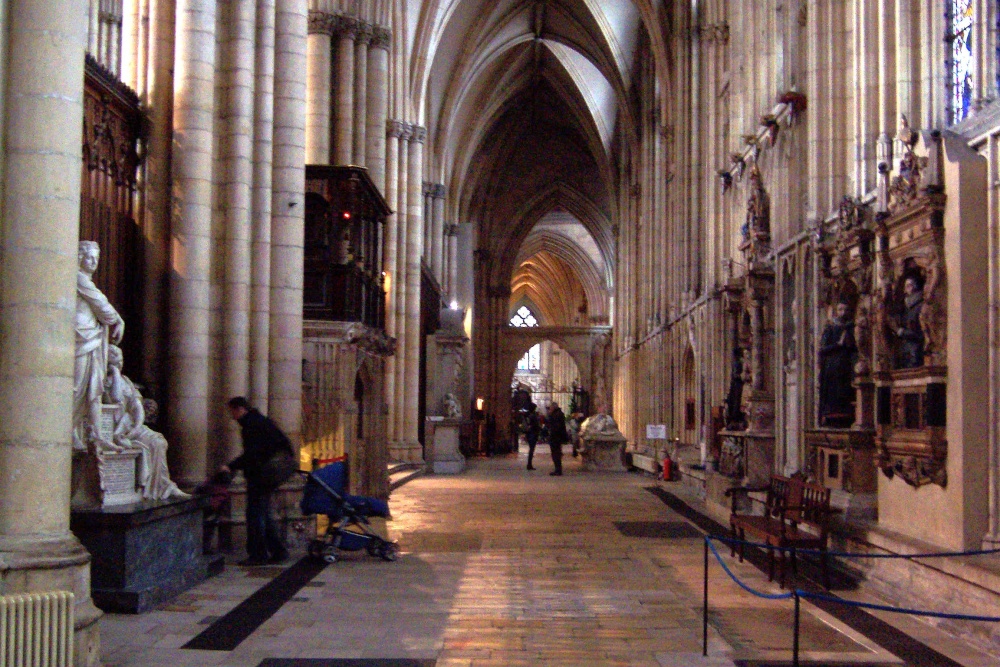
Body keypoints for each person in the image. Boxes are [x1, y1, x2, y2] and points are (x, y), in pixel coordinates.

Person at [104, 345, 189, 500]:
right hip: (113, 426)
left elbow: (137, 407)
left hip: (130, 425)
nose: (120, 361)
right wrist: (115, 373)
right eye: (116, 357)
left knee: (158, 441)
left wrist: (137, 426)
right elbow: (115, 398)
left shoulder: (126, 381)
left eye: (120, 357)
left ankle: (162, 486)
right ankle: (155, 487)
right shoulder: (103, 381)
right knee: (152, 443)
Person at [221, 396, 292, 566]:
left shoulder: (251, 425)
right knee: (264, 513)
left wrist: (230, 466)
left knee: (255, 514)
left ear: (239, 409)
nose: (232, 416)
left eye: (232, 411)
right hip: (267, 474)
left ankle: (258, 554)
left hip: (262, 475)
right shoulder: (259, 421)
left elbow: (253, 454)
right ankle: (278, 551)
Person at [74, 241, 125, 450]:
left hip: (92, 337)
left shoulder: (85, 280)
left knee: (93, 388)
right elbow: (101, 304)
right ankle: (72, 430)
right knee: (77, 387)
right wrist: (118, 320)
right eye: (89, 258)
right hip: (82, 337)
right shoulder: (77, 277)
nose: (94, 262)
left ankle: (95, 434)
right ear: (80, 258)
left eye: (96, 258)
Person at [818, 301, 857, 427]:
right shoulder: (830, 327)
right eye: (840, 309)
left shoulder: (851, 327)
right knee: (833, 397)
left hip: (846, 367)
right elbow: (823, 349)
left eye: (846, 310)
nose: (843, 313)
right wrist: (838, 345)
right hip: (832, 368)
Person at [894, 275, 925, 369]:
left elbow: (920, 333)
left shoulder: (919, 306)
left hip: (915, 350)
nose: (905, 290)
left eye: (908, 286)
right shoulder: (905, 306)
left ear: (915, 287)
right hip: (906, 350)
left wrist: (901, 331)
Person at [546, 403, 569, 476]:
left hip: (555, 437)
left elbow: (553, 426)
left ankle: (558, 470)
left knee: (556, 454)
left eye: (550, 408)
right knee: (557, 453)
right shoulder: (559, 414)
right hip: (557, 437)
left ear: (553, 408)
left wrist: (549, 415)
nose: (549, 409)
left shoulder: (556, 415)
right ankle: (557, 469)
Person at [524, 403, 541, 470]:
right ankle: (529, 464)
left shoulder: (528, 415)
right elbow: (535, 425)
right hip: (533, 434)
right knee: (531, 449)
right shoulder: (533, 416)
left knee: (531, 449)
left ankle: (529, 464)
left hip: (530, 434)